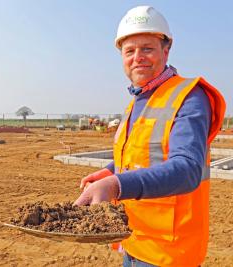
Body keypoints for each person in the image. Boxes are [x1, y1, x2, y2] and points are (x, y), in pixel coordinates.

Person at [74, 6, 225, 267]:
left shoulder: (189, 97)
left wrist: (115, 185)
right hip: (134, 240)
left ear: (166, 51)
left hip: (169, 251)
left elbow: (187, 169)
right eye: (129, 51)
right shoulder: (137, 102)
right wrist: (111, 172)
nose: (137, 58)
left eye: (147, 48)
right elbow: (144, 154)